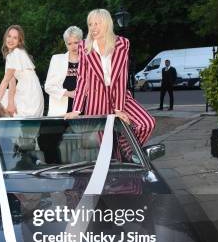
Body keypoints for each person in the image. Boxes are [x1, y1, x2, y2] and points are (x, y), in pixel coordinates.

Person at [65, 9, 155, 145]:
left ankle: (126, 149)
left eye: (97, 24)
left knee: (146, 123)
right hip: (96, 101)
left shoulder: (123, 44)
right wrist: (77, 109)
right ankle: (117, 154)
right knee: (106, 146)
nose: (93, 28)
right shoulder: (84, 46)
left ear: (107, 24)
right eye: (90, 24)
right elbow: (82, 78)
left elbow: (122, 76)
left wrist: (119, 109)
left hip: (120, 96)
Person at [0, 25, 44, 117]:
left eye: (15, 38)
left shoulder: (16, 53)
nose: (11, 40)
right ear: (5, 37)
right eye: (9, 36)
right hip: (33, 94)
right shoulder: (14, 54)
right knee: (2, 100)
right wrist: (10, 103)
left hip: (29, 96)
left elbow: (5, 81)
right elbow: (11, 83)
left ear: (19, 41)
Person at [45, 26, 83, 116]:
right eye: (69, 44)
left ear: (82, 42)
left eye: (76, 42)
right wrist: (70, 94)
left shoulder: (88, 60)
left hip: (84, 109)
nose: (73, 46)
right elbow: (48, 87)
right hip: (60, 111)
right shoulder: (57, 59)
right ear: (66, 44)